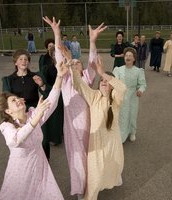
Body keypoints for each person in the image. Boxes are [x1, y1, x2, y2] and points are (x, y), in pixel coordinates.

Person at [42, 16, 107, 200]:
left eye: (79, 62)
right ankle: (79, 191)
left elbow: (93, 61)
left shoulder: (87, 78)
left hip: (88, 124)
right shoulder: (65, 81)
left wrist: (92, 42)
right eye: (74, 62)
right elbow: (59, 58)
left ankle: (92, 186)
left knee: (90, 157)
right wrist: (56, 34)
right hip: (71, 127)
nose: (77, 63)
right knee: (76, 159)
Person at [0, 59, 68, 200]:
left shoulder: (32, 114)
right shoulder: (6, 126)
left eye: (17, 98)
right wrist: (36, 119)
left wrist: (60, 76)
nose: (18, 100)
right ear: (8, 111)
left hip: (41, 169)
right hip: (20, 174)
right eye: (13, 101)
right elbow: (15, 140)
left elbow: (52, 101)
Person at [72, 55, 126, 200]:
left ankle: (112, 179)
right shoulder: (94, 96)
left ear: (112, 85)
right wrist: (71, 63)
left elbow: (122, 87)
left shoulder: (115, 99)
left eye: (107, 81)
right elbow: (78, 84)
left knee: (113, 166)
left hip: (112, 143)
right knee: (95, 174)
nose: (103, 82)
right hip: (96, 143)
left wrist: (103, 73)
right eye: (101, 80)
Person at [113, 47, 146, 143]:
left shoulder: (138, 71)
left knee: (132, 114)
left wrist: (140, 90)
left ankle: (132, 132)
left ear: (134, 59)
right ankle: (121, 134)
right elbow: (115, 82)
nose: (128, 57)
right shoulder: (118, 70)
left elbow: (142, 84)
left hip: (133, 96)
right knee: (122, 115)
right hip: (121, 96)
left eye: (130, 56)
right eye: (126, 55)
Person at [39, 38, 64, 149]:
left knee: (59, 117)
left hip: (62, 96)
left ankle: (58, 137)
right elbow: (42, 85)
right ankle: (50, 137)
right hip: (50, 94)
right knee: (51, 117)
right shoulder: (46, 68)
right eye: (55, 55)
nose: (57, 57)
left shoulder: (65, 68)